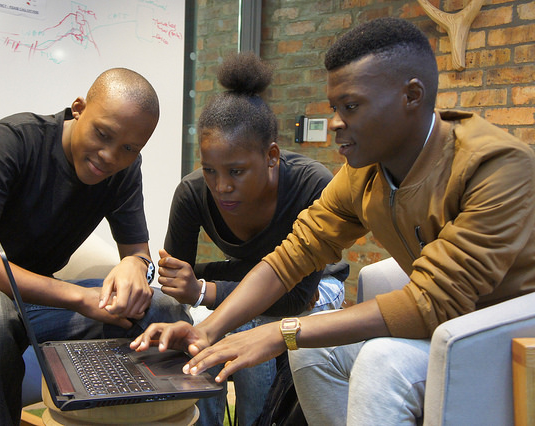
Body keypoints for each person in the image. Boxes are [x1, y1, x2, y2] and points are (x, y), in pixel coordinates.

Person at [131, 17, 535, 425]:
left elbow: (434, 301)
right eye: (334, 108)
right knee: (309, 351)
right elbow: (293, 255)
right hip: (445, 326)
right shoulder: (366, 171)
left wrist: (281, 332)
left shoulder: (496, 167)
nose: (337, 122)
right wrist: (208, 330)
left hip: (513, 331)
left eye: (351, 106)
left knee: (380, 360)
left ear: (411, 96)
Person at [0, 68, 190, 425]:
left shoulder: (124, 170)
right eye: (102, 134)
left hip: (33, 302)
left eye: (129, 148)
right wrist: (78, 298)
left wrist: (135, 265)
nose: (110, 156)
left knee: (160, 308)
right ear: (78, 108)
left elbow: (139, 254)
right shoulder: (15, 139)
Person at [156, 52, 348, 425]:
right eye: (210, 170)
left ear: (272, 156)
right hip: (266, 281)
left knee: (247, 321)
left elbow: (295, 297)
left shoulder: (312, 184)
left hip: (319, 284)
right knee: (195, 330)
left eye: (237, 171)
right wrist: (193, 290)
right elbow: (177, 282)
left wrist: (203, 288)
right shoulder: (192, 193)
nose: (221, 186)